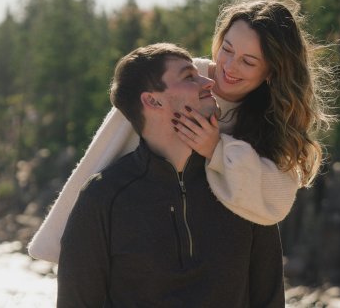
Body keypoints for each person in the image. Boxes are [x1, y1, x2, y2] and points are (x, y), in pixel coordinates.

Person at [28, 0, 335, 263]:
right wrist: (64, 247)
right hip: (136, 252)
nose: (229, 67)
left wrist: (217, 150)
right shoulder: (174, 83)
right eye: (227, 49)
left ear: (273, 70)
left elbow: (277, 200)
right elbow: (103, 156)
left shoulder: (272, 118)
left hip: (212, 270)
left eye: (248, 62)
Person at [57, 43, 285, 307]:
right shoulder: (101, 198)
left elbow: (270, 300)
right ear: (152, 100)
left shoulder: (242, 183)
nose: (209, 82)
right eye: (189, 76)